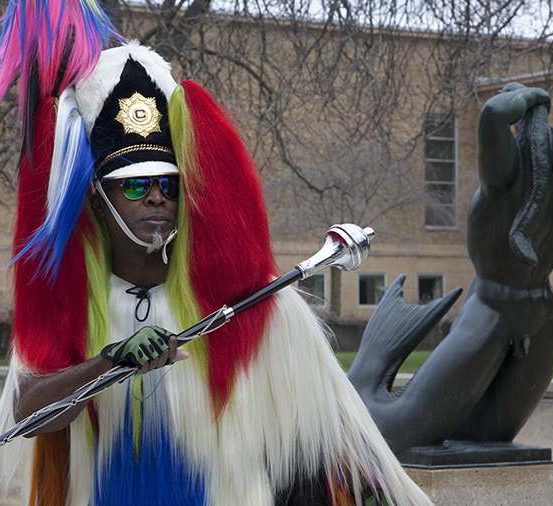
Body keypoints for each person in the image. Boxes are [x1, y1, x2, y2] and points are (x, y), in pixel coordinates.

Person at [0, 1, 430, 505]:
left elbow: (332, 448)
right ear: (98, 196)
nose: (157, 196)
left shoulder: (257, 313)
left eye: (166, 184)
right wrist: (106, 364)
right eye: (135, 188)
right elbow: (29, 410)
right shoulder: (73, 312)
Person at [350, 82, 553, 453]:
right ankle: (365, 376)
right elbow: (494, 116)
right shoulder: (509, 182)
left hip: (541, 323)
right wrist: (531, 100)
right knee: (397, 429)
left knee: (490, 438)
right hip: (490, 312)